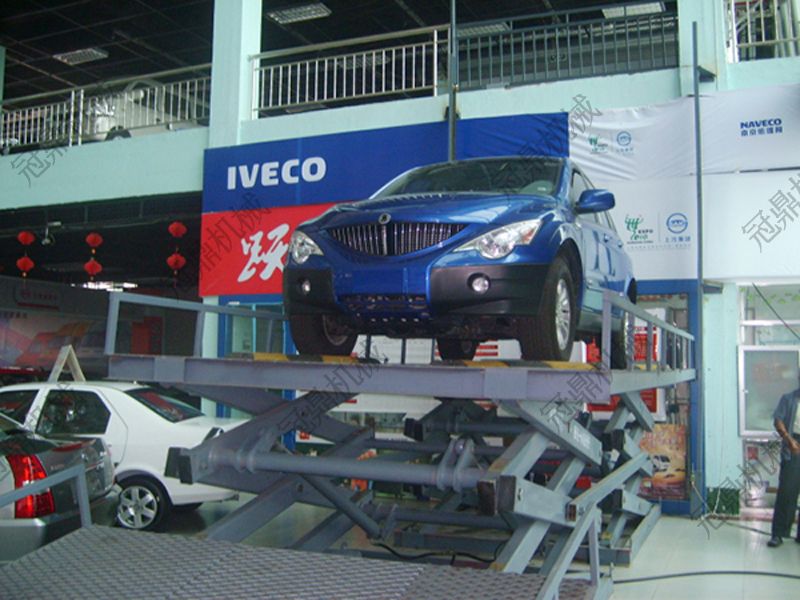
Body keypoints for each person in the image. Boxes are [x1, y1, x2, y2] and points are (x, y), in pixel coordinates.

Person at [767, 385, 800, 547]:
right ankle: (778, 534)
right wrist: (789, 440)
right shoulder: (789, 399)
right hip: (794, 445)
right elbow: (778, 421)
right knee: (787, 491)